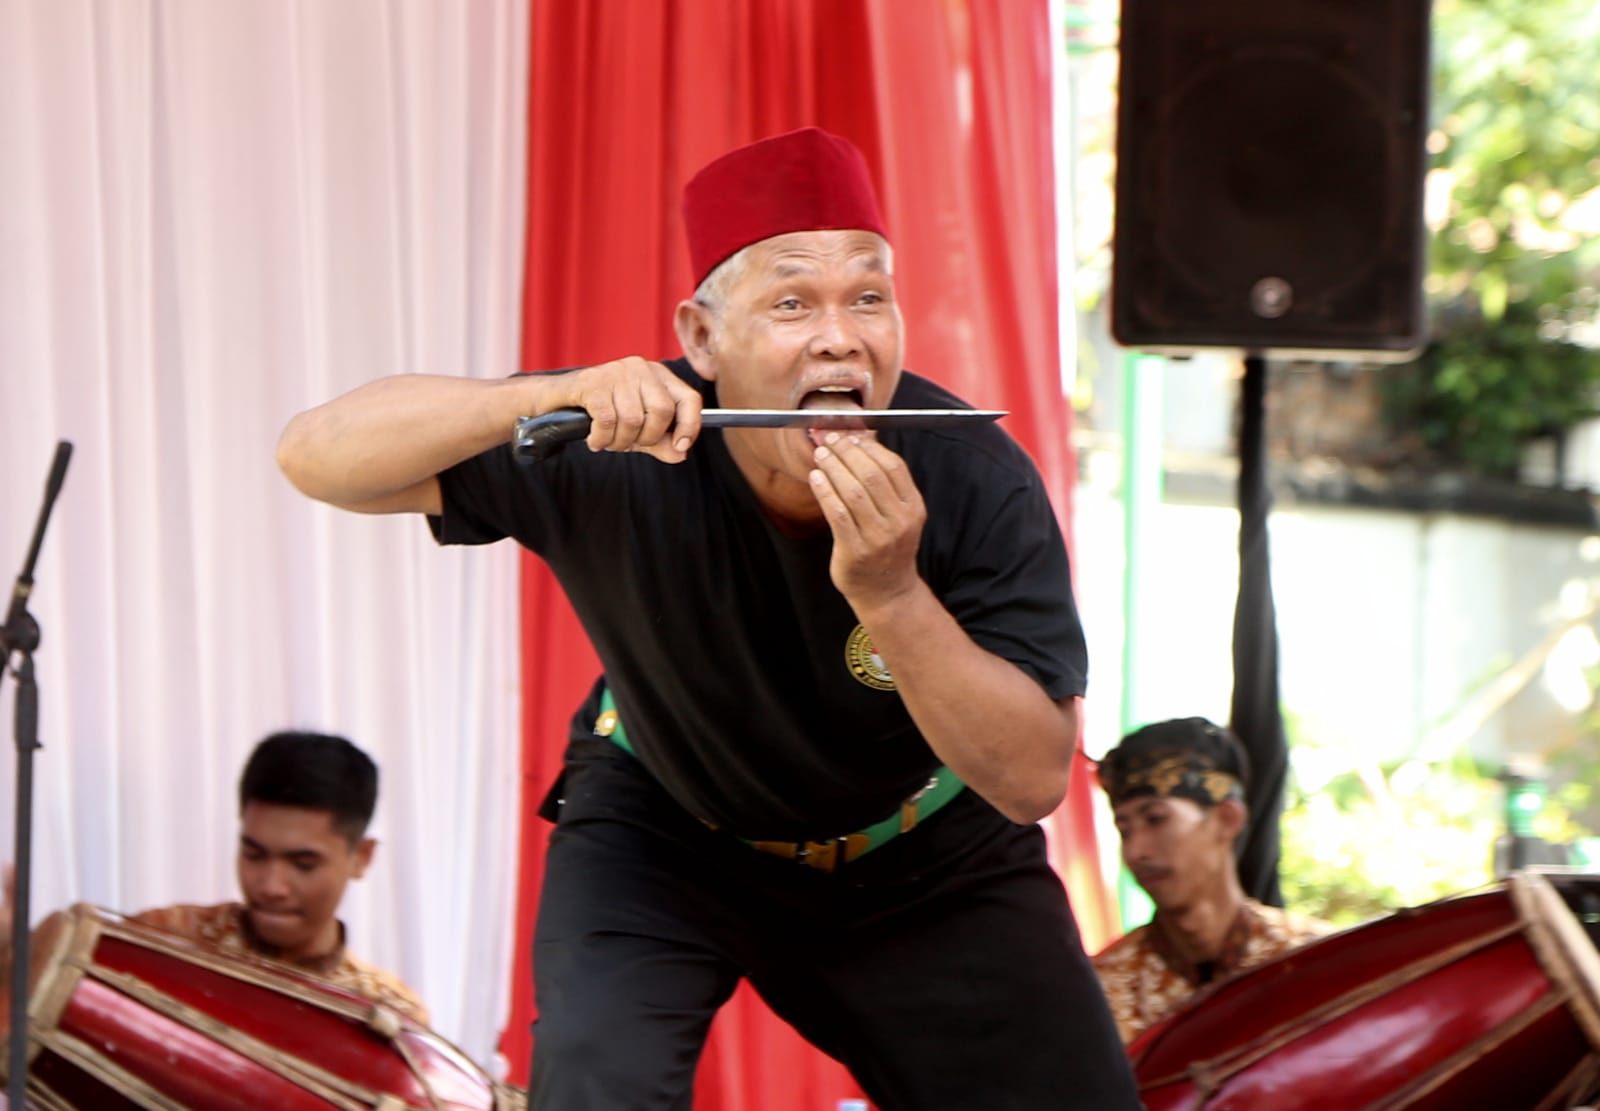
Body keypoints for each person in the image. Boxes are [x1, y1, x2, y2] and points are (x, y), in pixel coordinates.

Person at [277, 126, 1139, 1110]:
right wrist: (553, 396)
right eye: (791, 303)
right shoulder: (616, 442)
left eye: (868, 297)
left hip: (923, 853)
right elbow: (316, 456)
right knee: (596, 1085)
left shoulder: (973, 477)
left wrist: (893, 594)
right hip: (664, 831)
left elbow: (1030, 779)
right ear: (700, 340)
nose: (839, 338)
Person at [1, 731, 427, 1025]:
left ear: (362, 858)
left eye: (303, 864)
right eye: (253, 855)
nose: (271, 885)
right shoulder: (167, 940)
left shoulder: (387, 1014)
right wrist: (9, 964)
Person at [1093, 717, 1333, 1045]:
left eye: (1156, 819)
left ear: (1227, 820)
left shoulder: (1313, 961)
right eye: (1125, 830)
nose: (1136, 851)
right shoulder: (1101, 991)